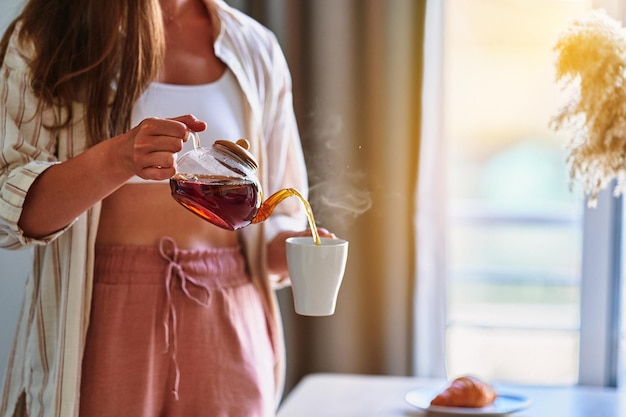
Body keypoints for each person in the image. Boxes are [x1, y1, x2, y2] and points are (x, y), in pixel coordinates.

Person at [0, 0, 333, 416]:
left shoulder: (255, 47)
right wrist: (118, 158)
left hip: (229, 319)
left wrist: (295, 250)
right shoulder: (49, 36)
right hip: (101, 319)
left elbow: (273, 220)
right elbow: (7, 211)